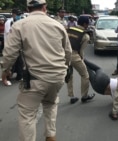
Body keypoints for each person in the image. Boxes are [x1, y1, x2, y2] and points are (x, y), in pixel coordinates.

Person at [1, 0, 72, 141]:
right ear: (45, 7)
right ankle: (50, 135)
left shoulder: (20, 25)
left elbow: (10, 54)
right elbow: (68, 52)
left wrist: (5, 71)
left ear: (28, 8)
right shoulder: (57, 25)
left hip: (35, 78)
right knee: (51, 103)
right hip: (57, 77)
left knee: (27, 114)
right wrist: (65, 68)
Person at [66, 16, 95, 104]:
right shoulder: (85, 35)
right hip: (74, 55)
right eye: (87, 23)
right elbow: (81, 51)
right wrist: (82, 59)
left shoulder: (69, 30)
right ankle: (84, 96)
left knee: (69, 75)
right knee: (85, 75)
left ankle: (72, 96)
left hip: (64, 55)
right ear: (85, 24)